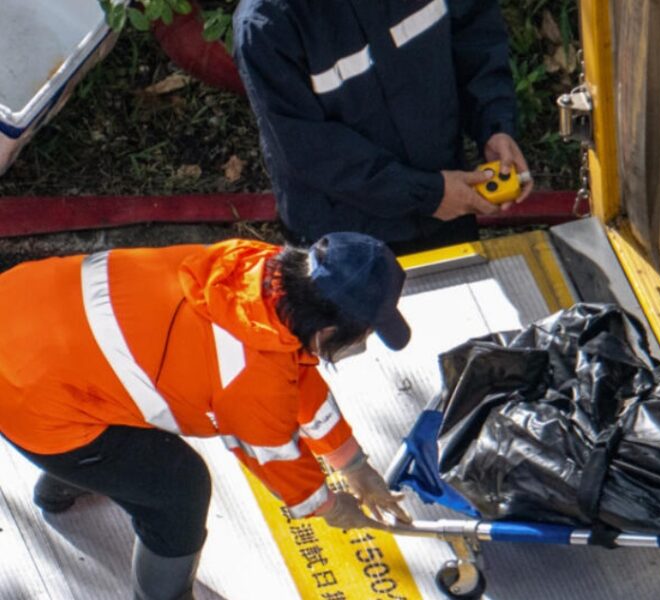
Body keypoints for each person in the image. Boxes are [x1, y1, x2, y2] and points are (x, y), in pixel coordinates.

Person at [0, 232, 413, 599]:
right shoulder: (250, 378)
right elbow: (276, 458)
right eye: (365, 333)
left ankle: (60, 491)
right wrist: (327, 507)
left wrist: (352, 464)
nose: (365, 341)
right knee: (180, 488)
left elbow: (297, 375)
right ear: (326, 332)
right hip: (24, 394)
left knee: (116, 421)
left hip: (21, 305)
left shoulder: (261, 272)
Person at [233, 0, 534, 254]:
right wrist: (428, 195)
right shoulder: (266, 26)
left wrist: (495, 125)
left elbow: (473, 34)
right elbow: (309, 150)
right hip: (346, 247)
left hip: (445, 208)